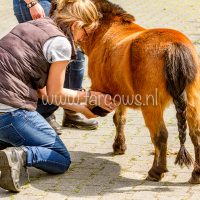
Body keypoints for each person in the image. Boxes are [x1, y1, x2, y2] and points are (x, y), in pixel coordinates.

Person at [0, 0, 116, 192]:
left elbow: (43, 91)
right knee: (60, 157)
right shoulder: (60, 43)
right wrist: (91, 97)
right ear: (76, 25)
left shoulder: (33, 25)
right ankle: (18, 156)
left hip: (5, 103)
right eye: (85, 34)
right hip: (8, 110)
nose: (82, 40)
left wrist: (81, 109)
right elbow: (56, 93)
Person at [12, 0, 99, 135]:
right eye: (86, 33)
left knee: (74, 56)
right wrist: (32, 3)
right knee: (49, 61)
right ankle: (43, 114)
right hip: (37, 3)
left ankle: (70, 112)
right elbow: (50, 92)